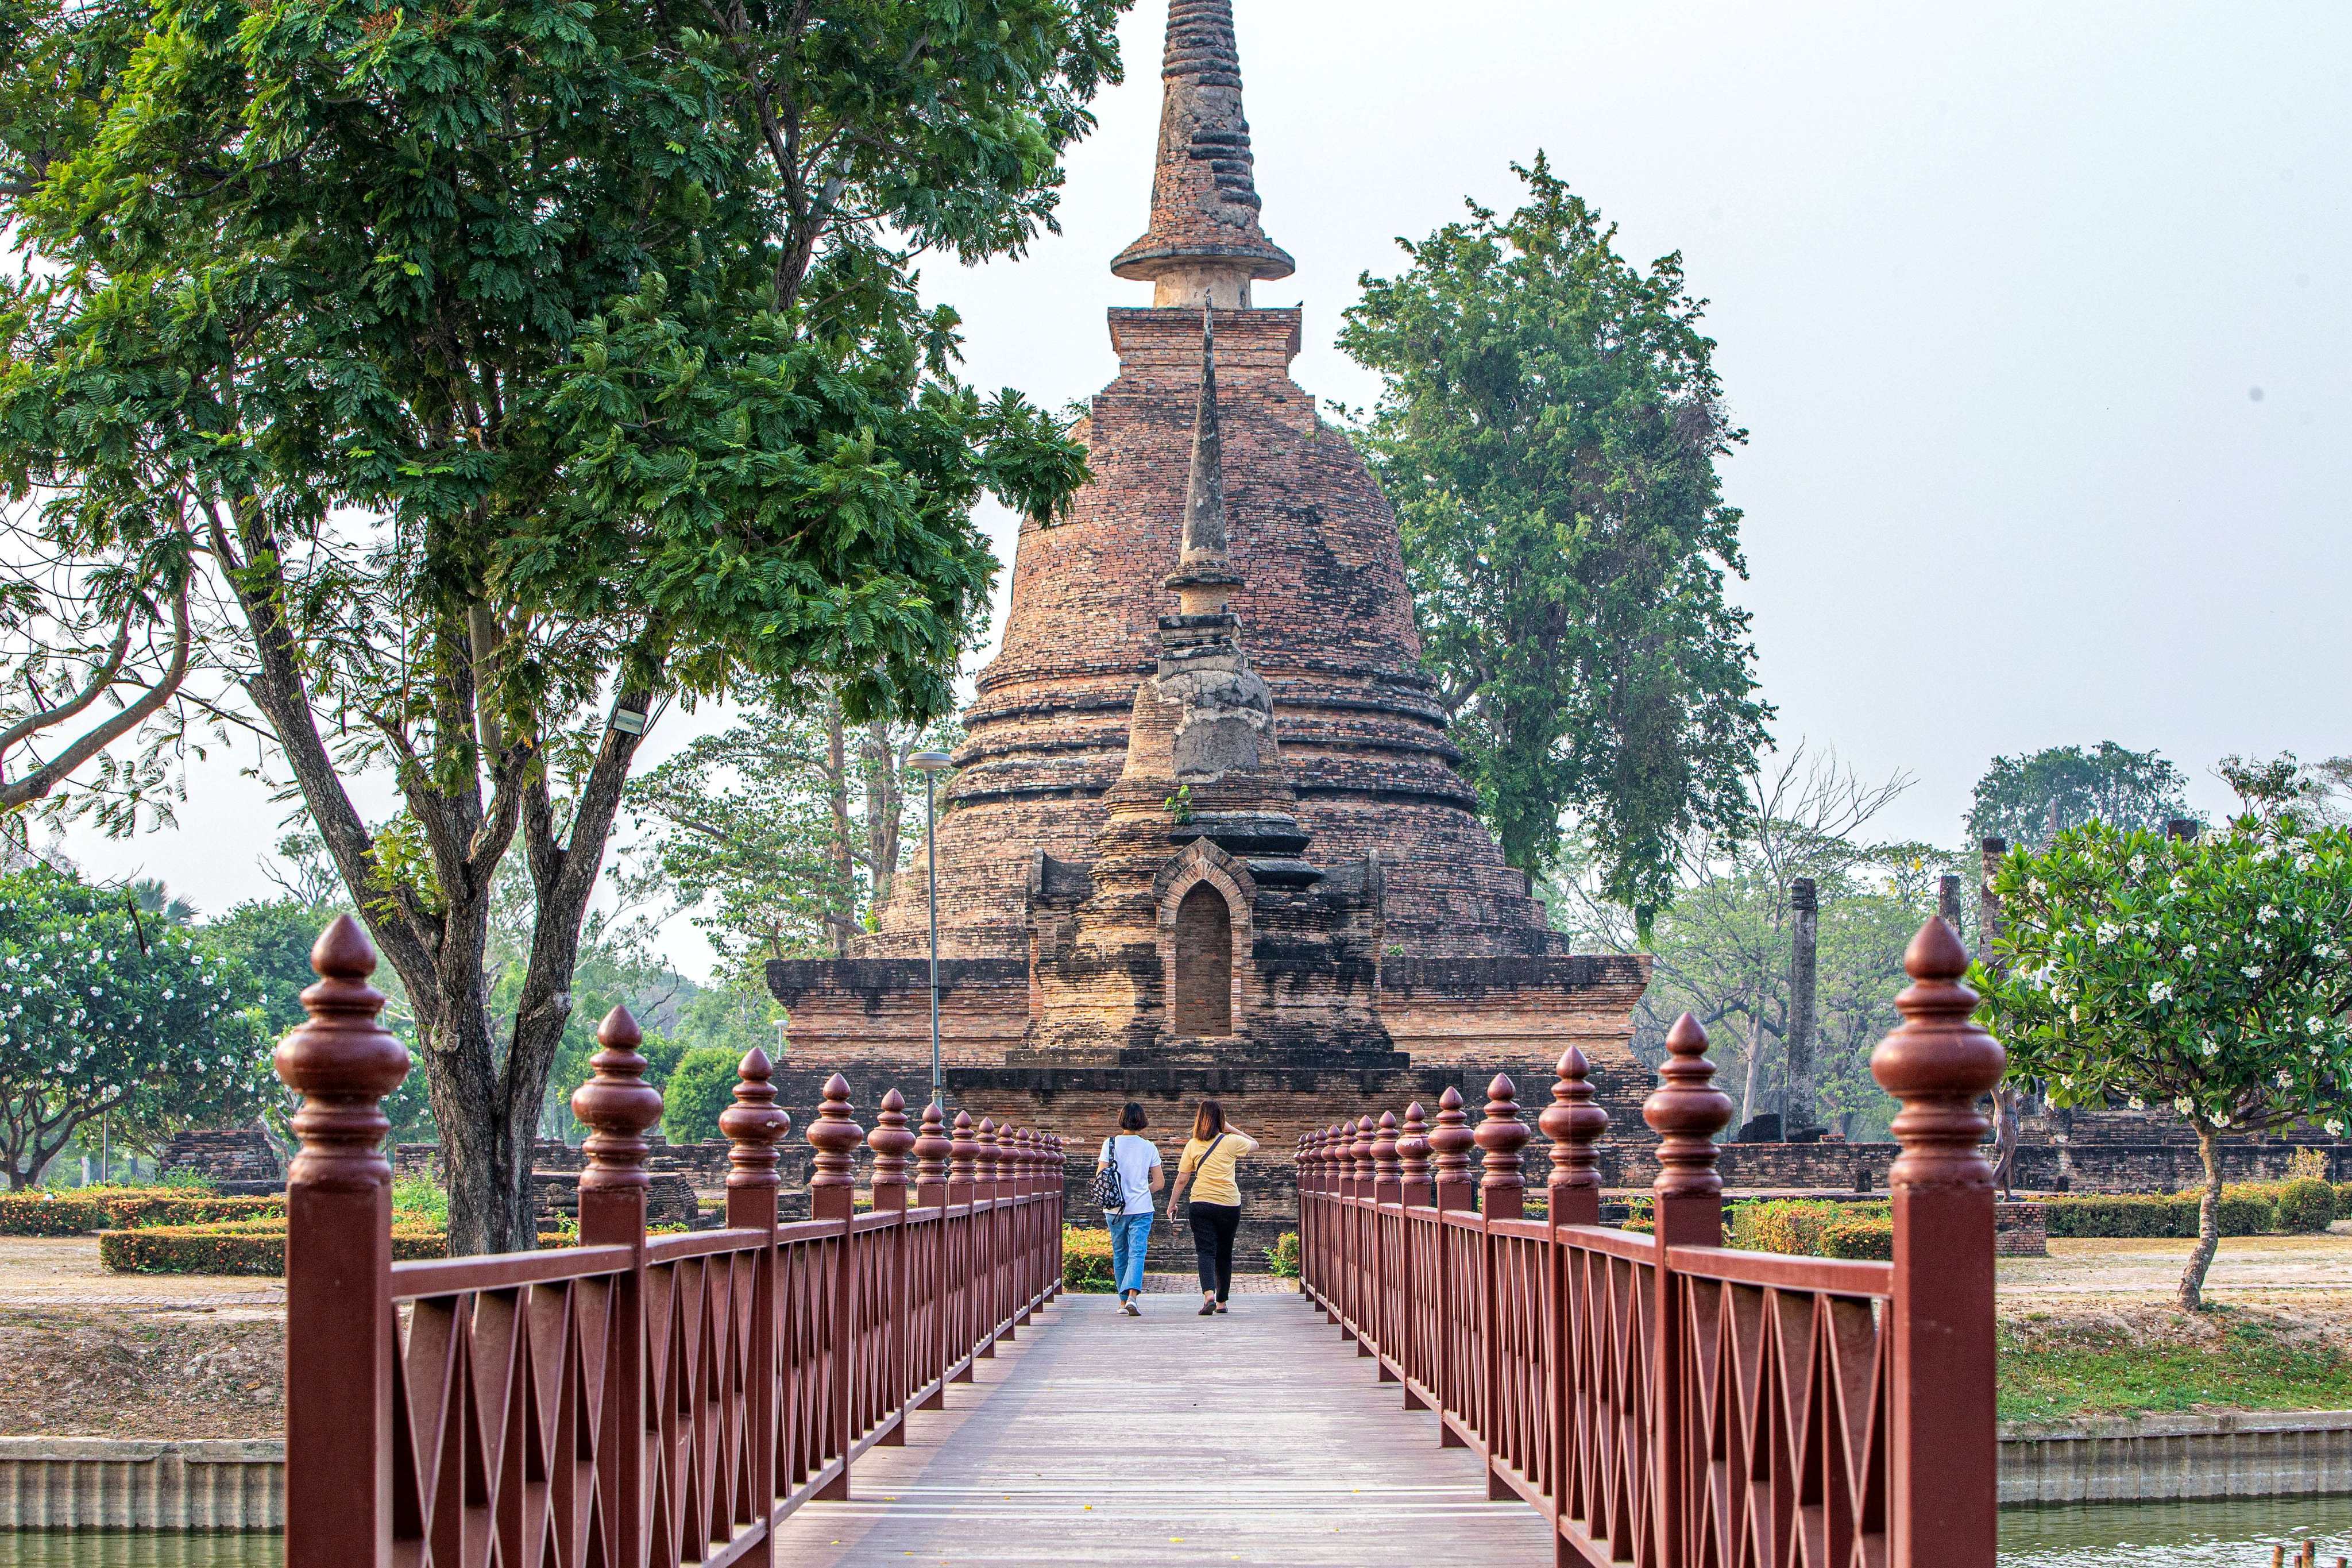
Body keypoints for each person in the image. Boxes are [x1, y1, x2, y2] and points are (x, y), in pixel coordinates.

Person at [1165, 1099, 1258, 1316]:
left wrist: (1172, 1204)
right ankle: (1222, 1302)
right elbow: (1255, 1144)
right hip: (1228, 1204)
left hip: (1201, 1203)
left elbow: (1182, 1179)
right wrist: (1229, 1128)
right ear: (1220, 1120)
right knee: (1225, 1253)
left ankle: (1208, 1294)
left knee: (1205, 1252)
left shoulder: (1193, 1145)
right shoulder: (1231, 1142)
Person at [1096, 1102, 1164, 1315]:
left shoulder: (1110, 1144)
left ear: (1122, 1119)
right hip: (1142, 1208)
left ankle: (1123, 1302)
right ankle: (1133, 1295)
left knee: (1120, 1253)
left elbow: (1101, 1177)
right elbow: (1159, 1183)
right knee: (1138, 1252)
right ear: (1142, 1121)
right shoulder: (1149, 1147)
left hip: (1114, 1209)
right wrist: (1143, 1190)